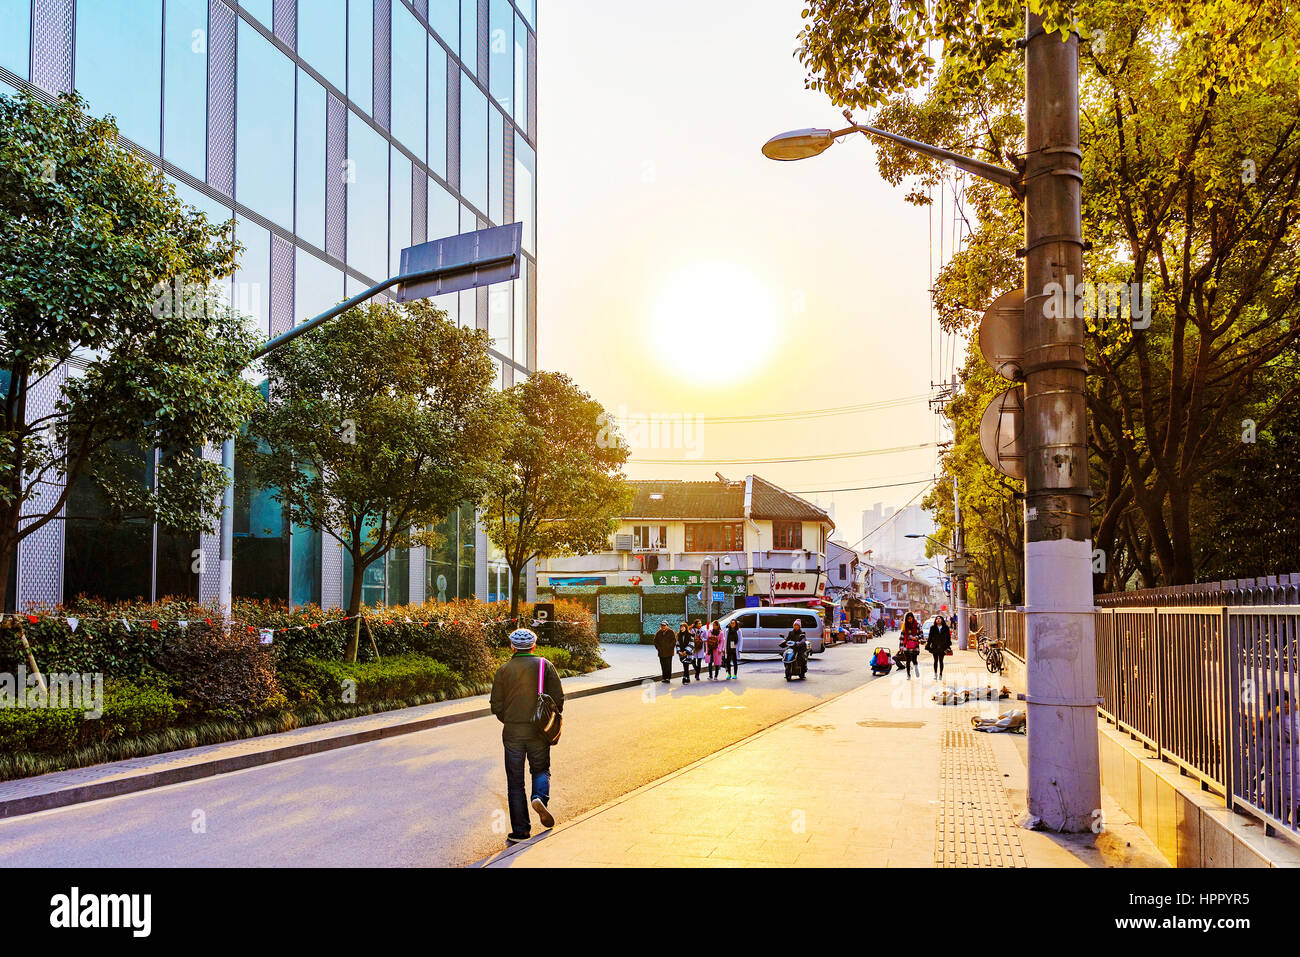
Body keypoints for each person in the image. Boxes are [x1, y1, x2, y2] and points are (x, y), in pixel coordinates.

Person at [490, 627, 564, 845]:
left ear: (512, 646)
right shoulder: (545, 666)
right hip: (538, 732)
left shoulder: (503, 670)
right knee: (540, 769)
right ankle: (539, 797)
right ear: (534, 645)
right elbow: (558, 699)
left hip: (512, 732)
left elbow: (496, 705)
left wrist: (510, 718)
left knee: (515, 782)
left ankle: (520, 831)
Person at [926, 614, 953, 679]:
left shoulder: (946, 628)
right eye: (937, 619)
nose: (938, 619)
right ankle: (935, 674)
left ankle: (940, 674)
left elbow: (948, 638)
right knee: (935, 661)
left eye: (939, 618)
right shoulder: (932, 628)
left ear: (942, 620)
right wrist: (928, 645)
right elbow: (930, 637)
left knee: (941, 661)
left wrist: (948, 645)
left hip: (943, 647)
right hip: (935, 646)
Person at [900, 612, 922, 679]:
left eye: (911, 618)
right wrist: (901, 647)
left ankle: (916, 669)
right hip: (907, 646)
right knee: (908, 661)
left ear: (913, 618)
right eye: (908, 619)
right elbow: (902, 637)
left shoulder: (917, 625)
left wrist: (916, 637)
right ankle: (908, 675)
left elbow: (921, 635)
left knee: (914, 660)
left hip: (915, 646)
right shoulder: (904, 626)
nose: (910, 620)